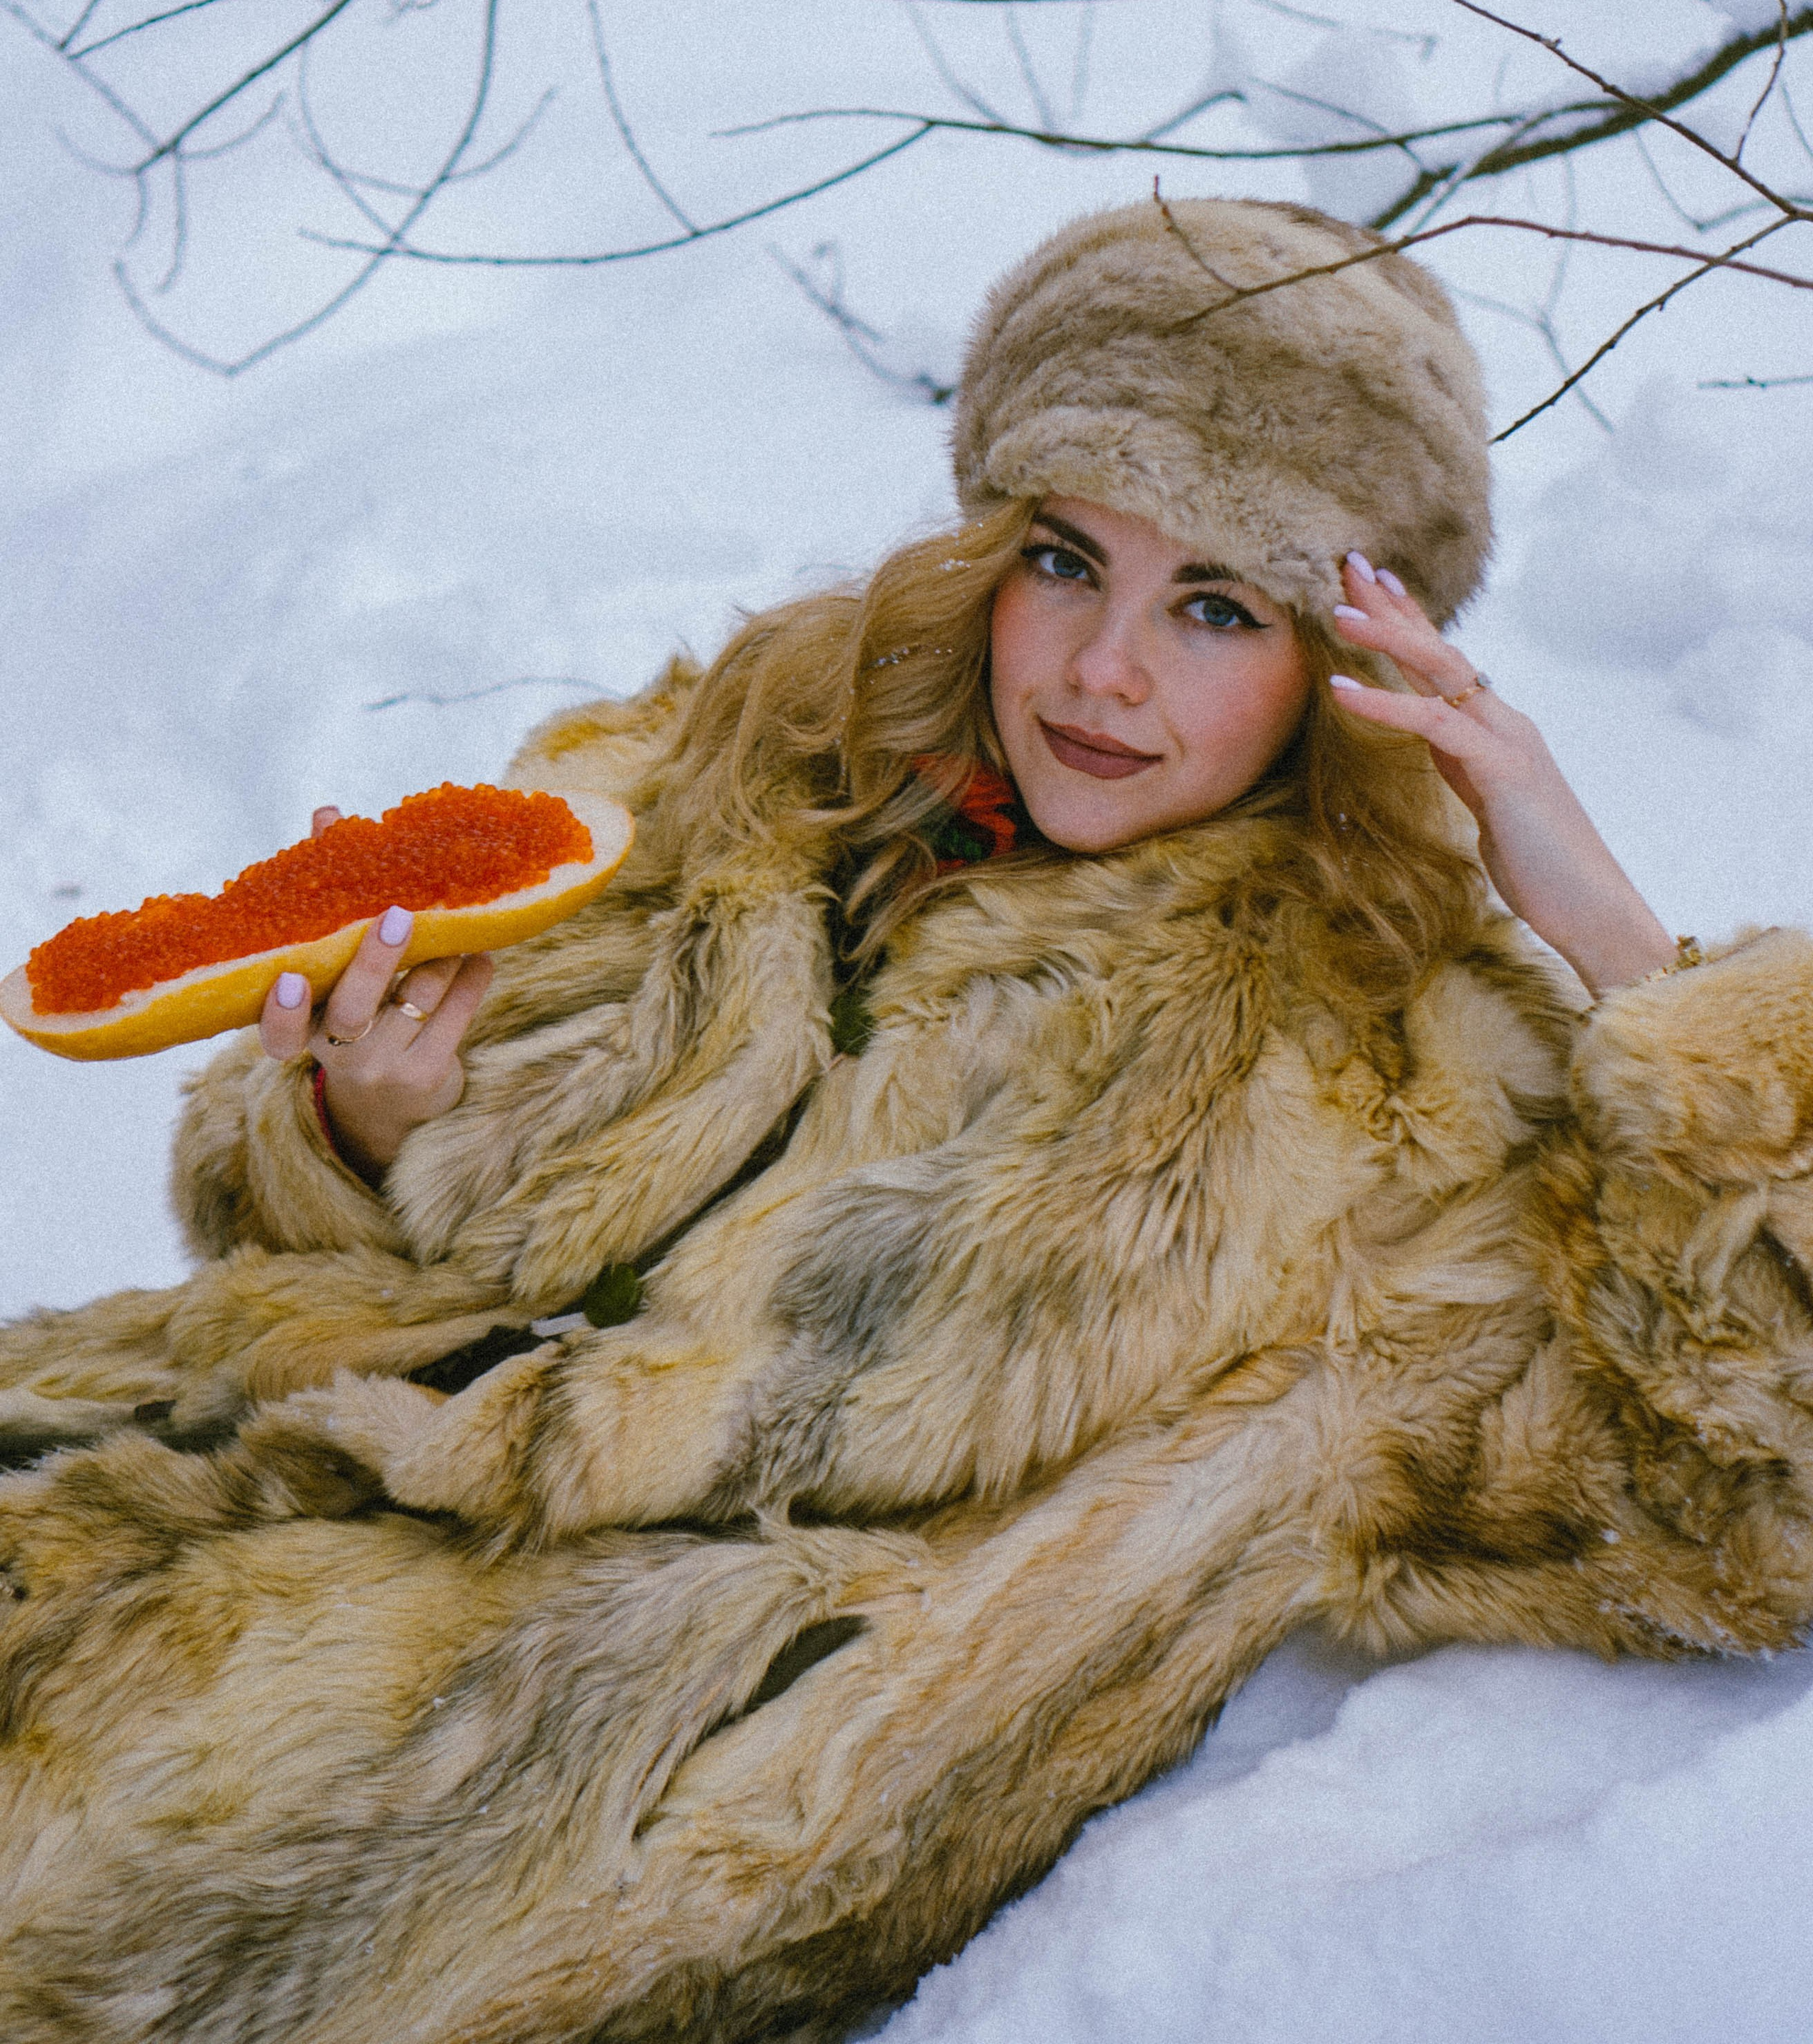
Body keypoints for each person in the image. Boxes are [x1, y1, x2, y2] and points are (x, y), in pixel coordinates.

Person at [2, 193, 1812, 2044]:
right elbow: (297, 1215)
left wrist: (1620, 947)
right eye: (1066, 561)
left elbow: (1741, 1507)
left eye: (1214, 607)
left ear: (1346, 659)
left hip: (512, 1784)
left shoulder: (1387, 1087)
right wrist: (366, 1133)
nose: (1104, 672)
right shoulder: (749, 763)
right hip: (177, 1466)